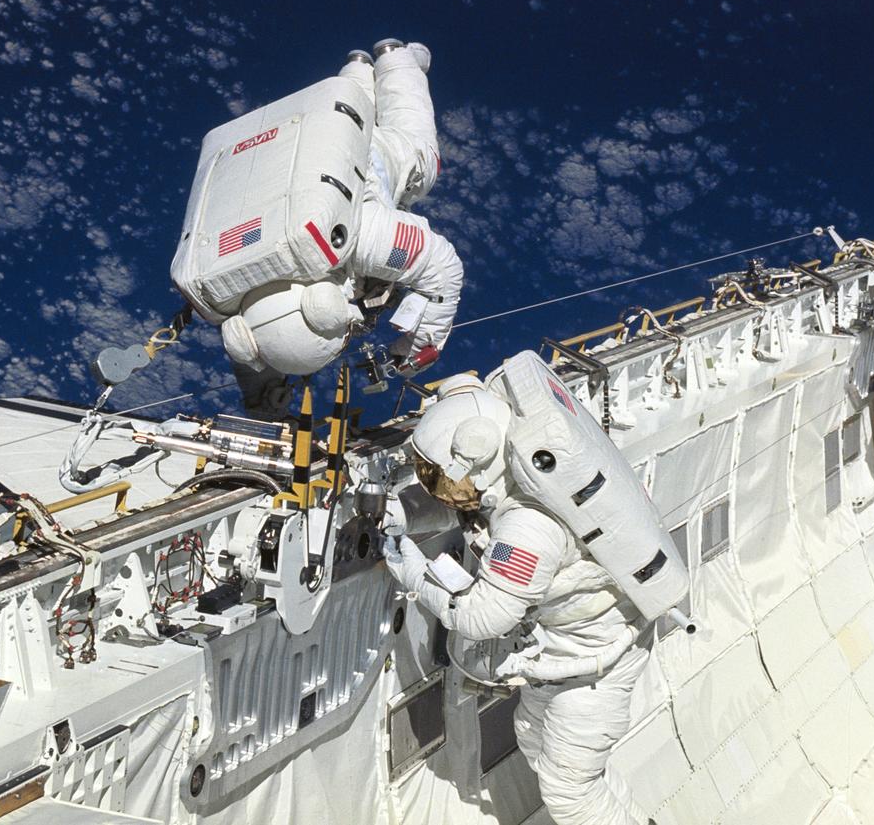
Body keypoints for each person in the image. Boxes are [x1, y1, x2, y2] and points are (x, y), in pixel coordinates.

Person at [384, 374, 652, 825]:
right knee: (532, 740)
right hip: (566, 653)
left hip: (598, 665)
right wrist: (404, 513)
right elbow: (470, 507)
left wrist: (407, 564)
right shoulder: (515, 473)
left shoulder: (530, 526)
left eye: (441, 479)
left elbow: (481, 616)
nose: (442, 492)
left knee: (571, 794)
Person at [224, 40, 464, 417]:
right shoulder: (238, 295)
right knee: (347, 110)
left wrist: (418, 351)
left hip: (375, 156)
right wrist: (262, 399)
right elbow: (257, 346)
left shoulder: (357, 239)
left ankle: (397, 58)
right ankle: (356, 70)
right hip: (318, 137)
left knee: (420, 163)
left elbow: (442, 269)